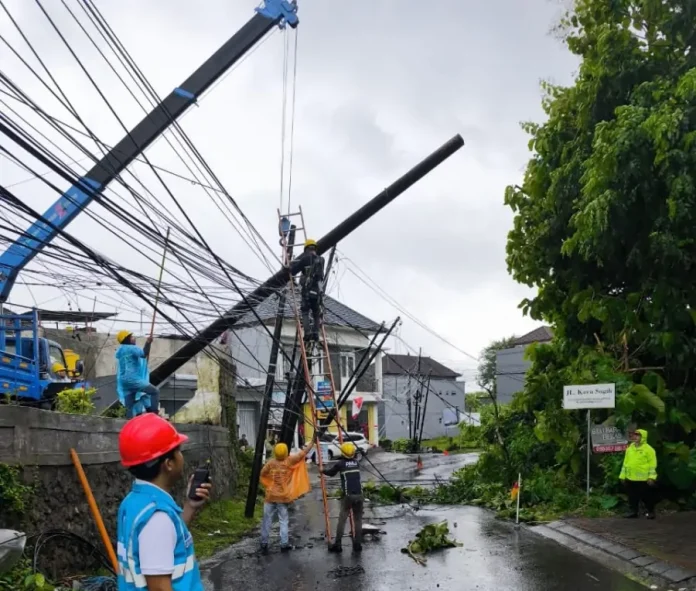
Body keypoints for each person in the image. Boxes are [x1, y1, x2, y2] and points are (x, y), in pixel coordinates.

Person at [116, 413, 212, 591]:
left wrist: (189, 506)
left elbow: (164, 545)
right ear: (168, 464)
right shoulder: (157, 516)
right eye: (178, 451)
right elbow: (160, 588)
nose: (181, 457)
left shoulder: (134, 502)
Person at [259, 440, 314, 554]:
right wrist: (312, 441)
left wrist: (268, 483)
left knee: (266, 520)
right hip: (283, 497)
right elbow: (303, 453)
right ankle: (284, 544)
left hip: (270, 496)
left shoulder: (270, 463)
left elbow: (263, 473)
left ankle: (264, 543)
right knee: (283, 520)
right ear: (285, 452)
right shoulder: (289, 461)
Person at [322, 442, 364, 554]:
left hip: (348, 495)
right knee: (358, 520)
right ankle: (358, 544)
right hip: (360, 495)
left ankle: (338, 544)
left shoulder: (340, 464)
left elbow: (331, 473)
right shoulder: (356, 462)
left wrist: (322, 470)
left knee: (342, 520)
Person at [115, 330, 160, 419]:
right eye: (131, 337)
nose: (134, 338)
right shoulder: (132, 348)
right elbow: (144, 354)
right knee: (155, 391)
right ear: (127, 339)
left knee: (129, 407)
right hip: (133, 379)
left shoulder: (119, 351)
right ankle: (155, 417)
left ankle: (128, 423)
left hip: (124, 382)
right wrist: (148, 342)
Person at [620, 428, 658, 519]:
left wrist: (651, 477)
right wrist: (622, 476)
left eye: (638, 435)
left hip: (643, 479)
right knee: (632, 497)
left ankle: (650, 512)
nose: (635, 437)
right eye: (634, 435)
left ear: (643, 437)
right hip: (630, 478)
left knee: (647, 497)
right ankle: (633, 512)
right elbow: (625, 463)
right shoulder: (630, 448)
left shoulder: (649, 450)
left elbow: (653, 465)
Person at [299, 239, 325, 342]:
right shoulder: (321, 260)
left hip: (306, 292)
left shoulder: (303, 260)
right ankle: (316, 334)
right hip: (317, 293)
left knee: (305, 312)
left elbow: (293, 270)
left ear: (306, 249)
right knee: (316, 314)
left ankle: (308, 333)